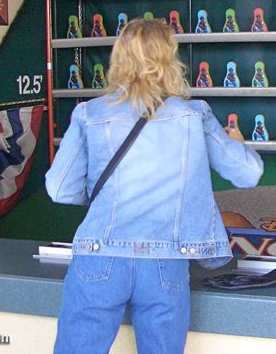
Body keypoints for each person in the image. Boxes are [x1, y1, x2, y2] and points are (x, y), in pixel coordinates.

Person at [45, 19, 263, 354]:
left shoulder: (89, 113)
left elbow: (58, 188)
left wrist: (102, 194)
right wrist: (237, 142)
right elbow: (249, 173)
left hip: (99, 255)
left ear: (118, 58)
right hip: (165, 262)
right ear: (169, 59)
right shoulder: (194, 115)